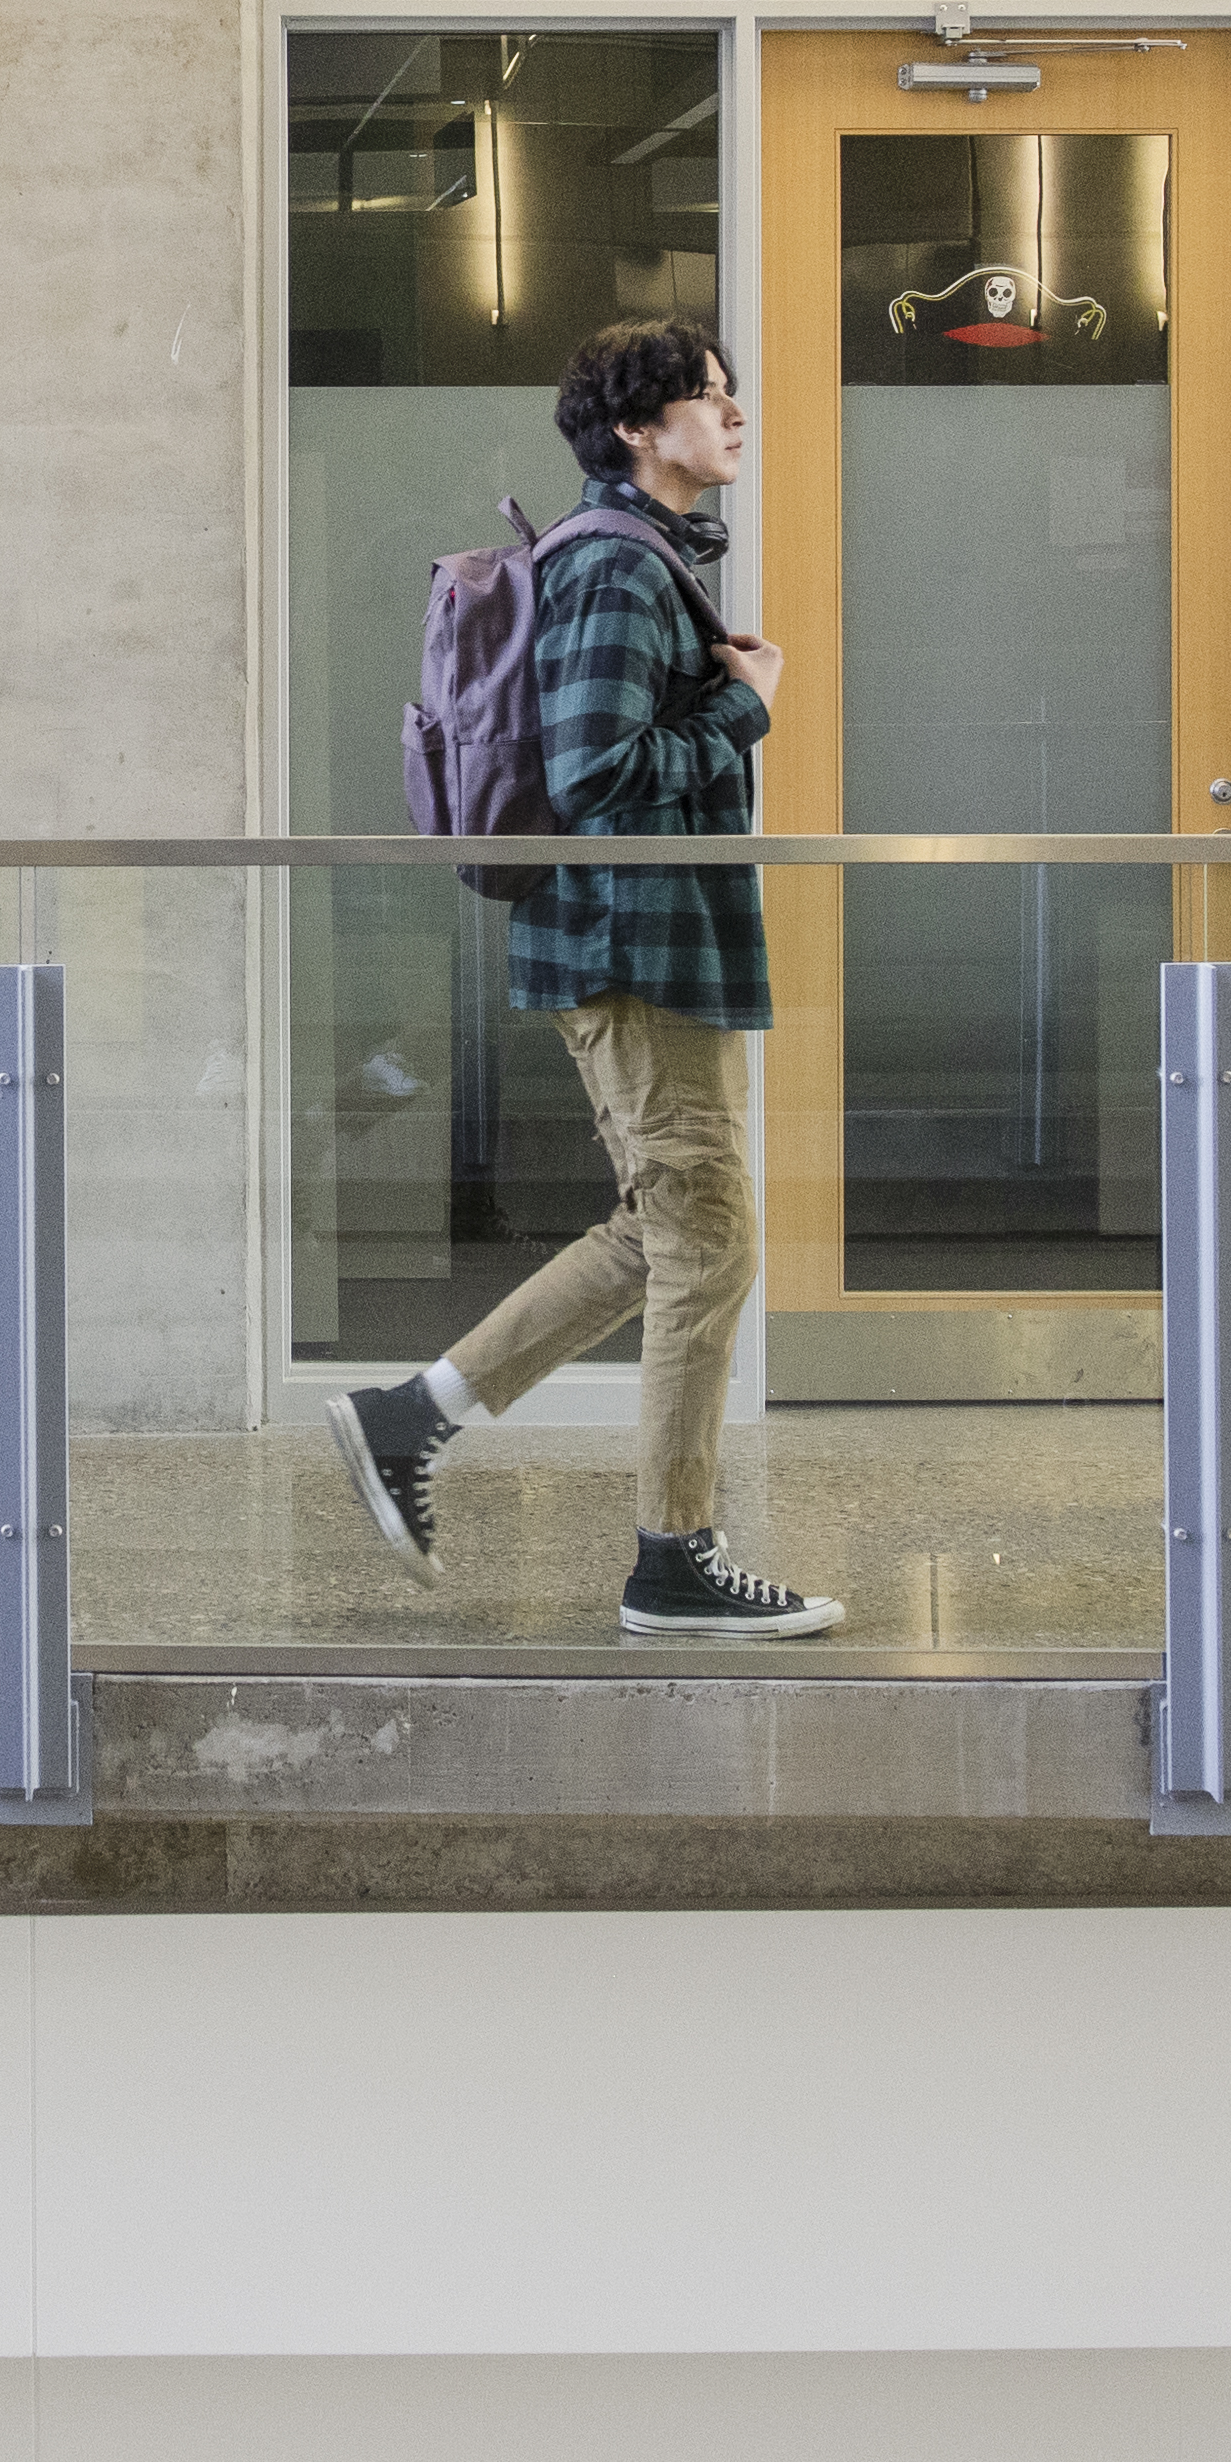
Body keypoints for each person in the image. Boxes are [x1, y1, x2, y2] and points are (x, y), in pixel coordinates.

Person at [322, 318, 842, 1642]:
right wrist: (745, 704)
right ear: (635, 428)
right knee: (706, 1239)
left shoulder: (631, 554)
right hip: (636, 944)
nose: (734, 415)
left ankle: (410, 1418)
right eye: (709, 397)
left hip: (637, 942)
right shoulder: (616, 562)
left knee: (666, 1224)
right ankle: (673, 1557)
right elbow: (597, 773)